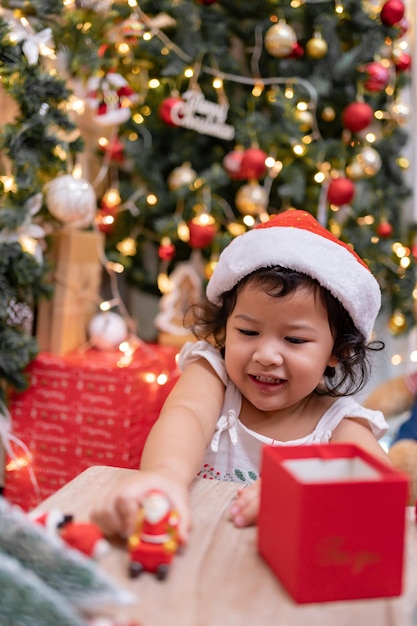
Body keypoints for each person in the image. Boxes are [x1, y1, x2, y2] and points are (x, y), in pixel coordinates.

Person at [91, 209, 389, 543]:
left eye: (294, 340)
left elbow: (382, 485)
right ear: (225, 328)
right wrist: (165, 476)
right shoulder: (213, 377)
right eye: (248, 331)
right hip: (196, 553)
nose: (265, 355)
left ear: (338, 351)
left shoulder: (338, 423)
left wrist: (304, 490)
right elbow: (185, 416)